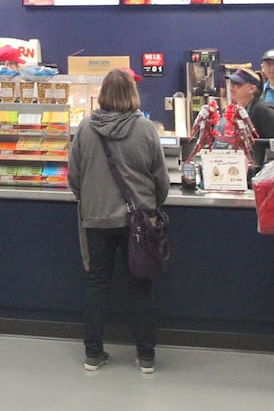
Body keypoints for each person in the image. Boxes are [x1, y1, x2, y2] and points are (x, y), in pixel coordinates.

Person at [67, 67, 170, 375]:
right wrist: (152, 204)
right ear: (132, 94)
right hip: (137, 220)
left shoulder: (85, 128)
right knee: (140, 285)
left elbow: (74, 177)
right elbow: (161, 180)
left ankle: (93, 355)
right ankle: (146, 356)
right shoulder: (146, 128)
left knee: (97, 284)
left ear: (103, 94)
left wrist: (90, 199)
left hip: (96, 218)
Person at [222, 67, 274, 169]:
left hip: (258, 173)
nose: (231, 88)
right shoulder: (233, 110)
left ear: (251, 89)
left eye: (237, 85)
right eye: (231, 84)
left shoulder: (264, 111)